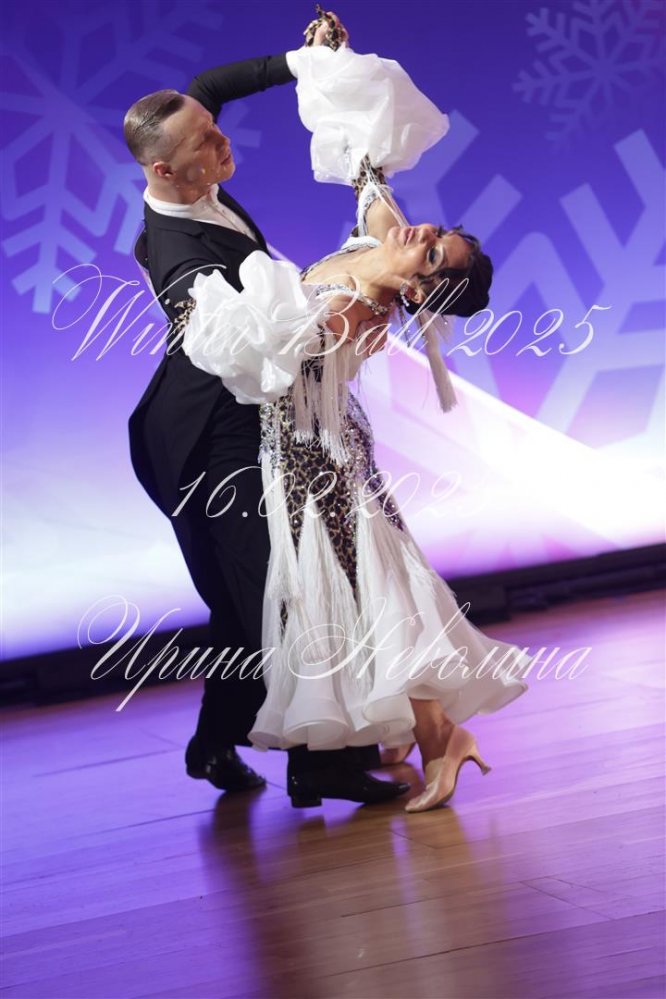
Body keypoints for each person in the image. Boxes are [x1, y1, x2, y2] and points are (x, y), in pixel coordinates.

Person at [179, 154, 533, 811]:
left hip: (318, 467)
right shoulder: (384, 242)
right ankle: (423, 737)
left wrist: (210, 319)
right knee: (375, 596)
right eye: (438, 233)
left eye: (433, 254)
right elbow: (370, 178)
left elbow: (263, 367)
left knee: (374, 599)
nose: (422, 235)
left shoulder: (355, 311)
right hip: (318, 455)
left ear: (419, 293)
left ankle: (438, 738)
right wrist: (347, 109)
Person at [122, 13, 410, 806]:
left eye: (213, 129)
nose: (222, 143)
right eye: (205, 144)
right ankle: (319, 760)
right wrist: (344, 306)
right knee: (274, 590)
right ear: (164, 171)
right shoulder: (180, 259)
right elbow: (253, 344)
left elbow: (210, 86)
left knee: (257, 596)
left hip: (249, 415)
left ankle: (219, 743)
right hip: (200, 440)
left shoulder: (191, 158)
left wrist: (301, 58)